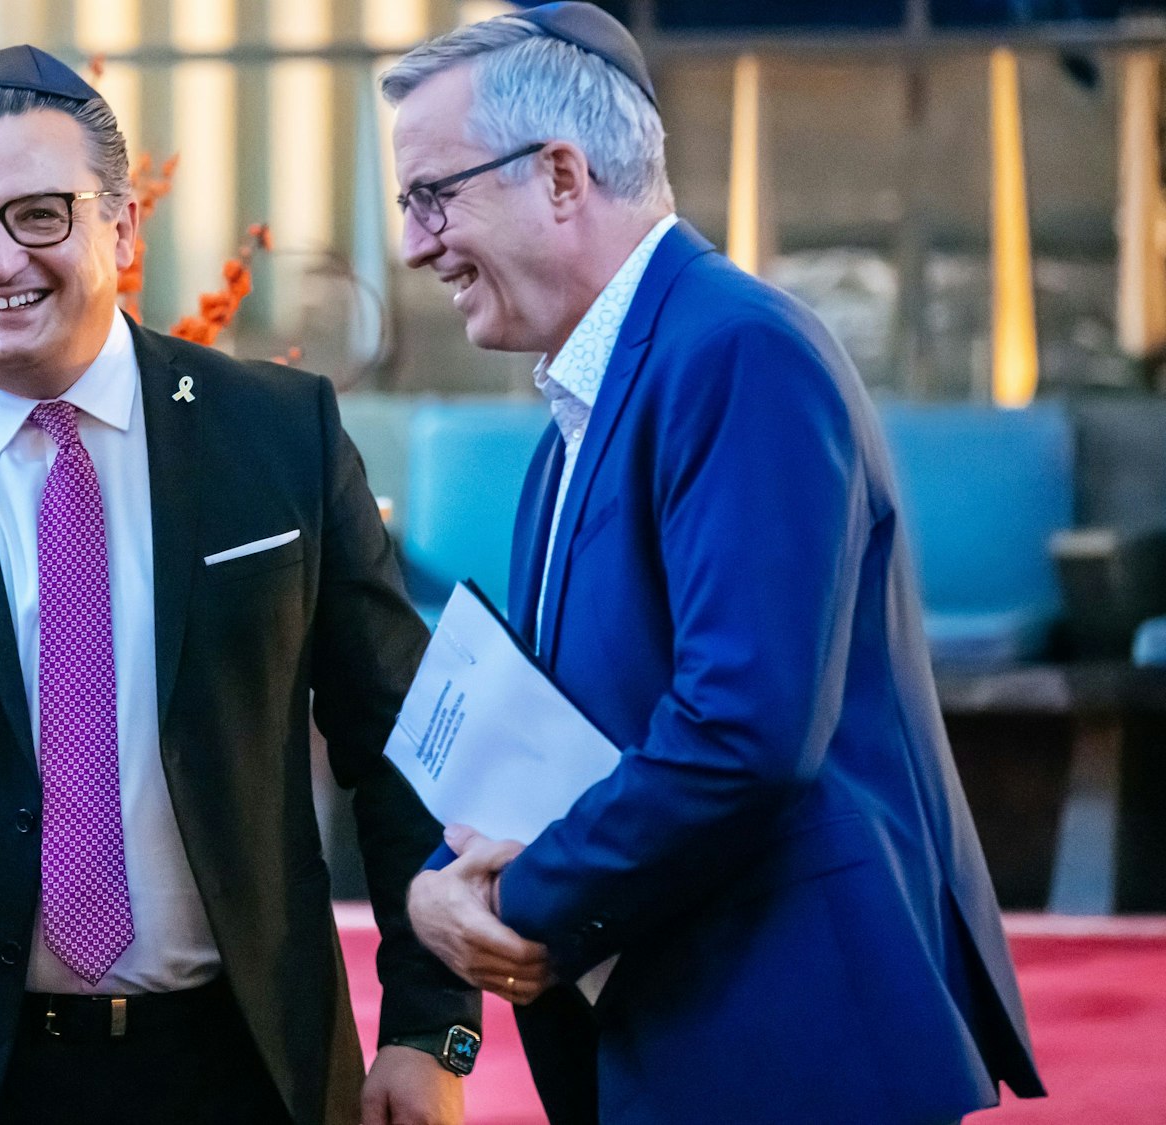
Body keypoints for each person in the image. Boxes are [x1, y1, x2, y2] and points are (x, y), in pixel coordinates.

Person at [0, 44, 479, 1125]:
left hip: (245, 1064)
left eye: (40, 213)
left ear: (121, 228)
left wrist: (428, 1028)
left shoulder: (277, 436)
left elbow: (399, 739)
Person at [379, 6, 1046, 1124]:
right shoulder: (573, 418)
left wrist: (516, 901)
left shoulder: (736, 349)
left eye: (430, 195)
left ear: (558, 174)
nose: (411, 244)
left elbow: (742, 729)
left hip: (785, 1040)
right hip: (688, 1027)